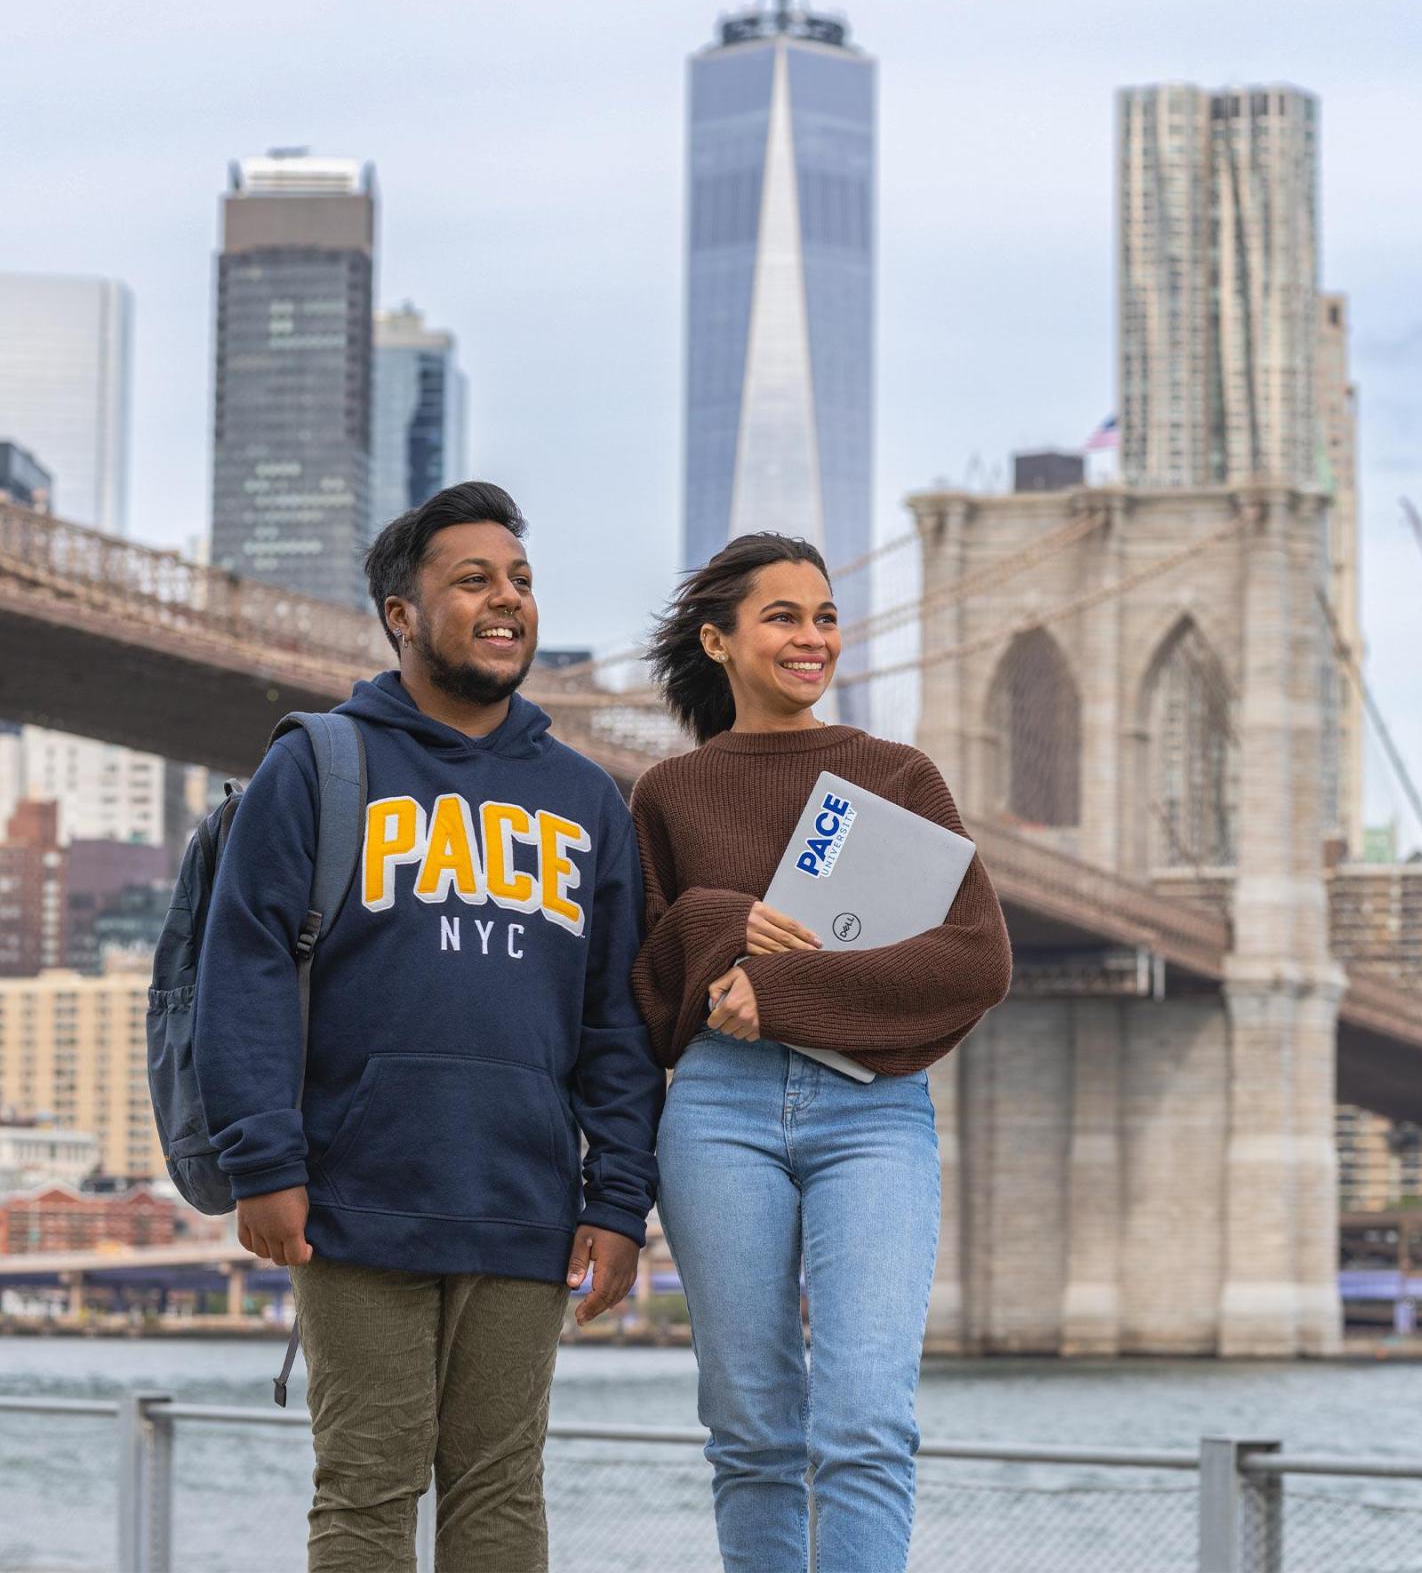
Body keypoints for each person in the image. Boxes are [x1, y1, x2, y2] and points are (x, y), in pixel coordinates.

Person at [193, 481, 663, 1572]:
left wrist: (619, 1197)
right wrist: (262, 1161)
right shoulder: (315, 765)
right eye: (474, 580)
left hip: (524, 1201)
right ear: (401, 613)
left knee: (502, 1496)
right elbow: (244, 970)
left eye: (522, 581)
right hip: (354, 1195)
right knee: (366, 1485)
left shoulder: (587, 798)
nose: (508, 602)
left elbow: (615, 1021)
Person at [629, 531, 1012, 1573]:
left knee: (865, 1423)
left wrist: (785, 989)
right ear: (716, 640)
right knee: (750, 1429)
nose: (814, 638)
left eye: (827, 616)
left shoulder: (897, 776)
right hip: (716, 1112)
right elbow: (642, 980)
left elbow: (977, 959)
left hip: (873, 1113)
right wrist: (722, 919)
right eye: (783, 616)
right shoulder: (667, 792)